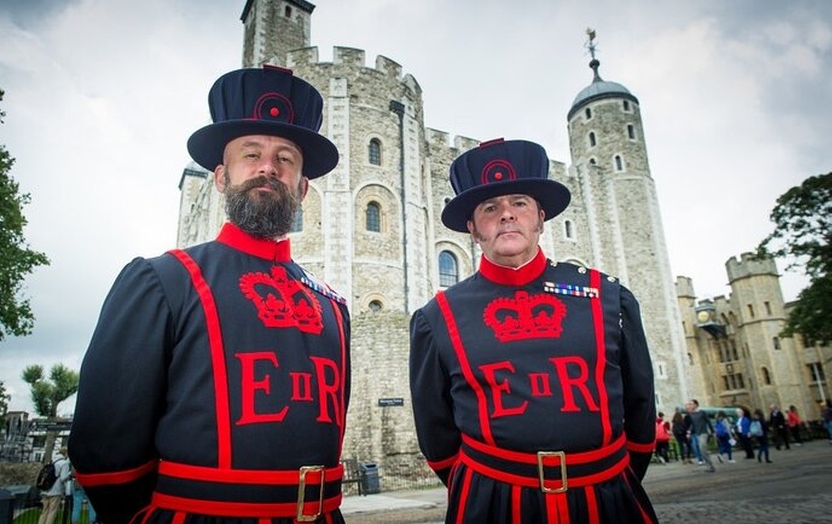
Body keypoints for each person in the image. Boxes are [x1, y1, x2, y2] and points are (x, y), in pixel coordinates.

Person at [69, 66, 351, 524]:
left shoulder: (333, 308)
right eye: (251, 154)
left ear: (302, 188)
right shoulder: (162, 280)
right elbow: (105, 454)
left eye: (285, 158)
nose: (268, 167)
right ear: (221, 177)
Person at [409, 139, 658, 523]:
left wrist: (605, 477)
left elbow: (640, 408)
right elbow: (436, 434)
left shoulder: (607, 296)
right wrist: (488, 485)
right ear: (473, 229)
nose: (507, 214)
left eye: (519, 203)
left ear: (540, 218)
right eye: (490, 208)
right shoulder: (437, 317)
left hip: (605, 496)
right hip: (494, 503)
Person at [38, 447, 71, 524]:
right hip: (55, 490)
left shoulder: (51, 461)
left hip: (45, 489)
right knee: (52, 512)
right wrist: (69, 474)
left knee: (44, 511)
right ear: (66, 453)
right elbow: (63, 478)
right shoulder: (64, 463)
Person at [685, 399, 715, 472]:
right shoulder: (691, 414)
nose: (690, 405)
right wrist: (689, 431)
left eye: (691, 404)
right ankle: (710, 466)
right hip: (697, 433)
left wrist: (713, 431)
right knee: (702, 450)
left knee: (702, 448)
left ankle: (710, 466)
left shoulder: (702, 412)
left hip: (704, 433)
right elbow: (692, 424)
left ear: (695, 405)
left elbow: (708, 421)